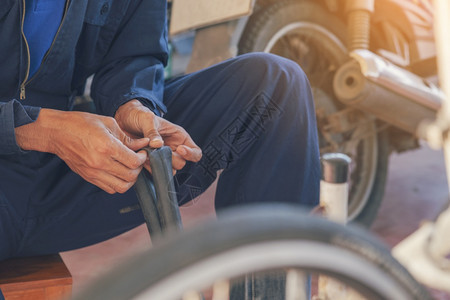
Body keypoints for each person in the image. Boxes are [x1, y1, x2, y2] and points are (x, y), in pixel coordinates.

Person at [0, 0, 320, 261]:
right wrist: (43, 131)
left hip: (60, 175)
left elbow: (134, 52)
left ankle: (270, 287)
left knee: (276, 85)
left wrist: (134, 104)